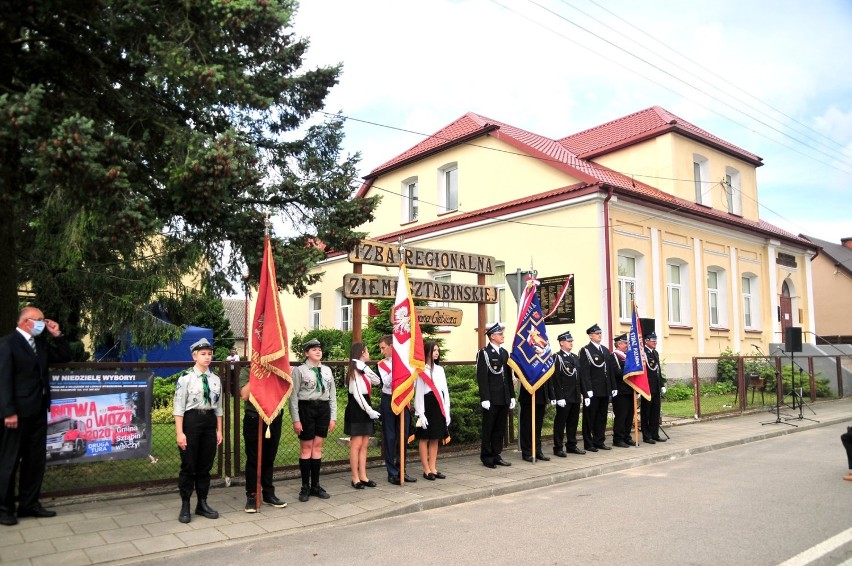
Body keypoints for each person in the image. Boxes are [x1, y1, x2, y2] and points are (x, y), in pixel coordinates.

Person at [0, 306, 71, 526]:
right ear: (25, 322)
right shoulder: (8, 343)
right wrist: (8, 411)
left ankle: (29, 504)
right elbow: (3, 380)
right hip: (16, 415)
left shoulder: (40, 344)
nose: (43, 323)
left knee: (35, 460)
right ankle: (4, 508)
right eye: (39, 320)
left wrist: (57, 334)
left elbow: (65, 356)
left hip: (38, 411)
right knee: (9, 461)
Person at [173, 337, 223, 523]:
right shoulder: (185, 379)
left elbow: (218, 408)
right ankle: (185, 504)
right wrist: (180, 432)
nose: (207, 357)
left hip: (209, 422)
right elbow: (178, 408)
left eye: (209, 354)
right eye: (203, 354)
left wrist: (219, 430)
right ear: (195, 356)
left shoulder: (216, 379)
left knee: (205, 466)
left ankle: (202, 503)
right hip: (191, 421)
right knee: (189, 465)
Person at [289, 338, 336, 502]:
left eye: (319, 349)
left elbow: (333, 395)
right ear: (306, 353)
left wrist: (333, 417)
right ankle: (305, 486)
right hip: (306, 409)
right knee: (306, 448)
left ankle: (315, 485)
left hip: (323, 409)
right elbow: (293, 396)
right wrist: (296, 419)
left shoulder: (327, 371)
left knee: (317, 447)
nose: (318, 351)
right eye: (314, 349)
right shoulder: (299, 370)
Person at [240, 366, 287, 513]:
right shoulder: (247, 370)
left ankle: (268, 493)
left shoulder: (277, 368)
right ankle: (252, 495)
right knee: (253, 458)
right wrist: (257, 373)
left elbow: (284, 389)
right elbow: (245, 395)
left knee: (269, 457)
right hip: (254, 418)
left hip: (273, 417)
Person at [377, 335, 417, 485]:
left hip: (403, 399)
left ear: (392, 346)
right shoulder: (382, 364)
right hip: (389, 400)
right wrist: (398, 367)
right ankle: (392, 472)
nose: (382, 351)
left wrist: (403, 364)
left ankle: (402, 470)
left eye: (383, 347)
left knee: (403, 436)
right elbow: (387, 383)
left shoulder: (405, 361)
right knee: (390, 436)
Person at [476, 322, 515, 468]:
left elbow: (508, 377)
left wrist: (511, 396)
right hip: (491, 398)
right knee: (489, 428)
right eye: (500, 334)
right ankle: (486, 456)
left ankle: (496, 454)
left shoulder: (504, 353)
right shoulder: (484, 353)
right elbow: (482, 378)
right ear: (492, 337)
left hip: (503, 397)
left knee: (500, 428)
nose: (502, 336)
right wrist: (484, 397)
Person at [344, 342, 381, 489]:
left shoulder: (362, 369)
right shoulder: (353, 372)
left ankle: (364, 476)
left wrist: (366, 368)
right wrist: (369, 410)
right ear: (362, 353)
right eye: (367, 351)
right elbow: (358, 395)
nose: (369, 353)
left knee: (365, 444)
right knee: (357, 444)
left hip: (366, 405)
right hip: (358, 408)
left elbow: (377, 381)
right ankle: (355, 478)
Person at [415, 341, 450, 479]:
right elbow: (419, 392)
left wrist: (446, 410)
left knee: (435, 437)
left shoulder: (440, 370)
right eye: (434, 350)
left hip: (438, 405)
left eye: (438, 350)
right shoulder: (421, 370)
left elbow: (444, 391)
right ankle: (426, 469)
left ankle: (433, 467)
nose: (436, 353)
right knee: (424, 438)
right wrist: (420, 413)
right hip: (426, 404)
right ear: (427, 352)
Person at [578, 323, 616, 452]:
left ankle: (599, 441)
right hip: (593, 390)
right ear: (590, 336)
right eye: (597, 333)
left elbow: (609, 371)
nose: (599, 335)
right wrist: (587, 390)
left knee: (602, 416)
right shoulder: (586, 351)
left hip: (604, 389)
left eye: (600, 333)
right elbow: (585, 372)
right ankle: (588, 443)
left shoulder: (605, 350)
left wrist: (613, 386)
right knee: (590, 417)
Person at [548, 331, 585, 457]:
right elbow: (555, 379)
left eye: (571, 341)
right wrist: (558, 396)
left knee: (573, 422)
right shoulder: (557, 357)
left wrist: (583, 393)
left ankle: (571, 445)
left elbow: (579, 377)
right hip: (564, 396)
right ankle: (558, 447)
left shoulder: (575, 357)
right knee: (560, 422)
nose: (571, 343)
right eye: (568, 341)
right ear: (561, 343)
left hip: (575, 395)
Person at [609, 334, 636, 448]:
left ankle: (627, 436)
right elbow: (616, 373)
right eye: (625, 343)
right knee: (621, 416)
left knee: (630, 415)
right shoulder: (614, 356)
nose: (627, 345)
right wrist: (629, 370)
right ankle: (618, 439)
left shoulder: (627, 356)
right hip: (620, 391)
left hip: (630, 390)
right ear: (619, 344)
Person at [518, 369, 550, 463]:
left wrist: (549, 396)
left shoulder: (544, 357)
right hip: (528, 396)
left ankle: (537, 451)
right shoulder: (526, 355)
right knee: (527, 426)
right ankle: (527, 452)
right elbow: (517, 373)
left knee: (537, 427)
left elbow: (548, 377)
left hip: (541, 396)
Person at [642, 332, 667, 444]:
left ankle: (654, 434)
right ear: (646, 341)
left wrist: (661, 384)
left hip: (656, 387)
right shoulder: (643, 353)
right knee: (646, 412)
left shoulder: (655, 353)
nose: (655, 342)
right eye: (653, 341)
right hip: (647, 387)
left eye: (655, 340)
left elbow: (658, 371)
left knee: (655, 412)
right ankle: (647, 436)